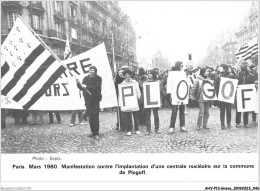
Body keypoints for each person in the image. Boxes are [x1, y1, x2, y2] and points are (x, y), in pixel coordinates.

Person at [76, 66, 102, 140]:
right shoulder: (85, 78)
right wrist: (78, 84)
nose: (91, 72)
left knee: (95, 116)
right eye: (90, 70)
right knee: (90, 117)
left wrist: (86, 86)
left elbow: (97, 87)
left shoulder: (98, 78)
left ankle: (96, 133)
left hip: (96, 100)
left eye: (92, 70)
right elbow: (82, 88)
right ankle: (92, 131)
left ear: (95, 71)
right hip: (88, 100)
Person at [144, 69, 166, 135]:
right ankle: (148, 129)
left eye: (150, 73)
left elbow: (162, 91)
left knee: (156, 115)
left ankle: (157, 128)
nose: (149, 75)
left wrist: (165, 96)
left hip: (155, 100)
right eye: (148, 73)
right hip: (148, 101)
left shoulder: (158, 82)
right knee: (148, 116)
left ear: (153, 74)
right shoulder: (145, 82)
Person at [168, 61, 188, 134]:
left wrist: (185, 93)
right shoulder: (171, 73)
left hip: (182, 95)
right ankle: (171, 127)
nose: (182, 67)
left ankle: (182, 125)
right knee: (174, 111)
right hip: (174, 95)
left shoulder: (183, 73)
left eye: (183, 65)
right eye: (181, 65)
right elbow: (169, 84)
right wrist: (169, 94)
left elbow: (185, 83)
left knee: (182, 111)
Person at [120, 69, 141, 136]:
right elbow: (121, 94)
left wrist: (139, 98)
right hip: (127, 102)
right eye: (126, 74)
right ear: (124, 75)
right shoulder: (123, 83)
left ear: (131, 75)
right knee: (128, 116)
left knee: (136, 116)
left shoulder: (135, 82)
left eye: (129, 74)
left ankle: (137, 129)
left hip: (134, 101)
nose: (127, 75)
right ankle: (129, 129)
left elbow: (138, 91)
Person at [235, 61, 255, 128]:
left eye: (246, 66)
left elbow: (253, 85)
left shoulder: (251, 75)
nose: (245, 67)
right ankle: (238, 122)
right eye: (244, 66)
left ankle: (245, 123)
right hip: (239, 92)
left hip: (247, 93)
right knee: (239, 108)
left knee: (246, 108)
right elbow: (236, 83)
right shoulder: (238, 75)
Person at [215, 64, 235, 130]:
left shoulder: (231, 75)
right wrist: (218, 96)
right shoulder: (218, 76)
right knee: (222, 111)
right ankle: (222, 124)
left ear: (224, 69)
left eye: (220, 67)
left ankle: (229, 123)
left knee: (229, 110)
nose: (219, 68)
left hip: (229, 96)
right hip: (221, 96)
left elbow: (233, 86)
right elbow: (216, 86)